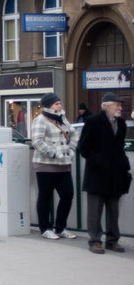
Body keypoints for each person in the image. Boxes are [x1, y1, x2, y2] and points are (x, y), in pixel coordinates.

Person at [77, 92, 131, 254]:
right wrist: (98, 161)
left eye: (120, 105)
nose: (121, 108)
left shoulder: (121, 123)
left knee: (113, 211)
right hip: (97, 174)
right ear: (107, 106)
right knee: (95, 210)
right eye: (117, 105)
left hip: (116, 173)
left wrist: (124, 167)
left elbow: (119, 147)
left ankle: (112, 240)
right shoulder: (93, 121)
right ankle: (94, 241)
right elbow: (83, 148)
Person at [31, 93, 77, 240]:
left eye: (60, 103)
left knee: (68, 194)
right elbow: (37, 141)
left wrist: (71, 150)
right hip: (46, 165)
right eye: (56, 104)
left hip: (64, 164)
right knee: (45, 196)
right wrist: (53, 153)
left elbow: (74, 134)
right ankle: (45, 228)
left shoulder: (62, 119)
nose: (59, 106)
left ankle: (60, 227)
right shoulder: (40, 120)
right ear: (48, 105)